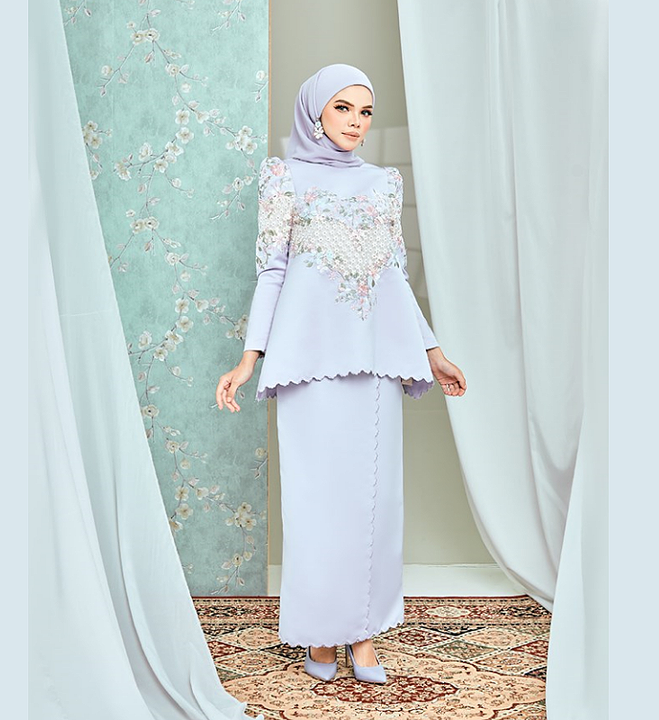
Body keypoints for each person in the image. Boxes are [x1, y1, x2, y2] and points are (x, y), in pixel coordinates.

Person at [216, 64, 466, 684]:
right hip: (308, 367)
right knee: (316, 505)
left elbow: (394, 276)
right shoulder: (284, 177)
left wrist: (432, 351)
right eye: (342, 109)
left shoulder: (382, 184)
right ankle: (321, 634)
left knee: (374, 503)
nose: (356, 123)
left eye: (365, 112)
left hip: (374, 364)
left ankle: (364, 633)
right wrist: (250, 357)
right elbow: (273, 270)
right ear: (315, 113)